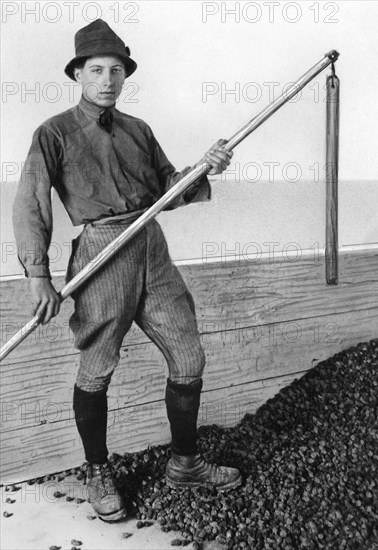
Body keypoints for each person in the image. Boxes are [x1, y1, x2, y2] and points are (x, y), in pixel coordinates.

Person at [13, 19, 242, 522]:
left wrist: (204, 168)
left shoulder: (140, 130)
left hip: (149, 245)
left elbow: (168, 190)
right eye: (96, 70)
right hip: (101, 251)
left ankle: (185, 464)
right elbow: (31, 203)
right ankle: (98, 470)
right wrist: (37, 274)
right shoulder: (53, 133)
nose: (107, 80)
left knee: (189, 357)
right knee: (97, 370)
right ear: (78, 74)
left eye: (117, 71)